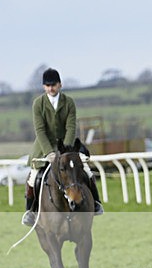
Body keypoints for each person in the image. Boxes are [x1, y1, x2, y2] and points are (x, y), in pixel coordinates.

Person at [22, 67, 104, 226]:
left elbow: (71, 127)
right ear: (44, 86)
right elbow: (40, 130)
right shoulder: (38, 104)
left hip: (67, 145)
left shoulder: (69, 102)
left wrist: (65, 149)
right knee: (34, 177)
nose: (50, 88)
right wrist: (49, 152)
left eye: (53, 85)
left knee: (87, 171)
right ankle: (30, 211)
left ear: (60, 84)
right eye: (47, 85)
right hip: (44, 146)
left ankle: (95, 203)